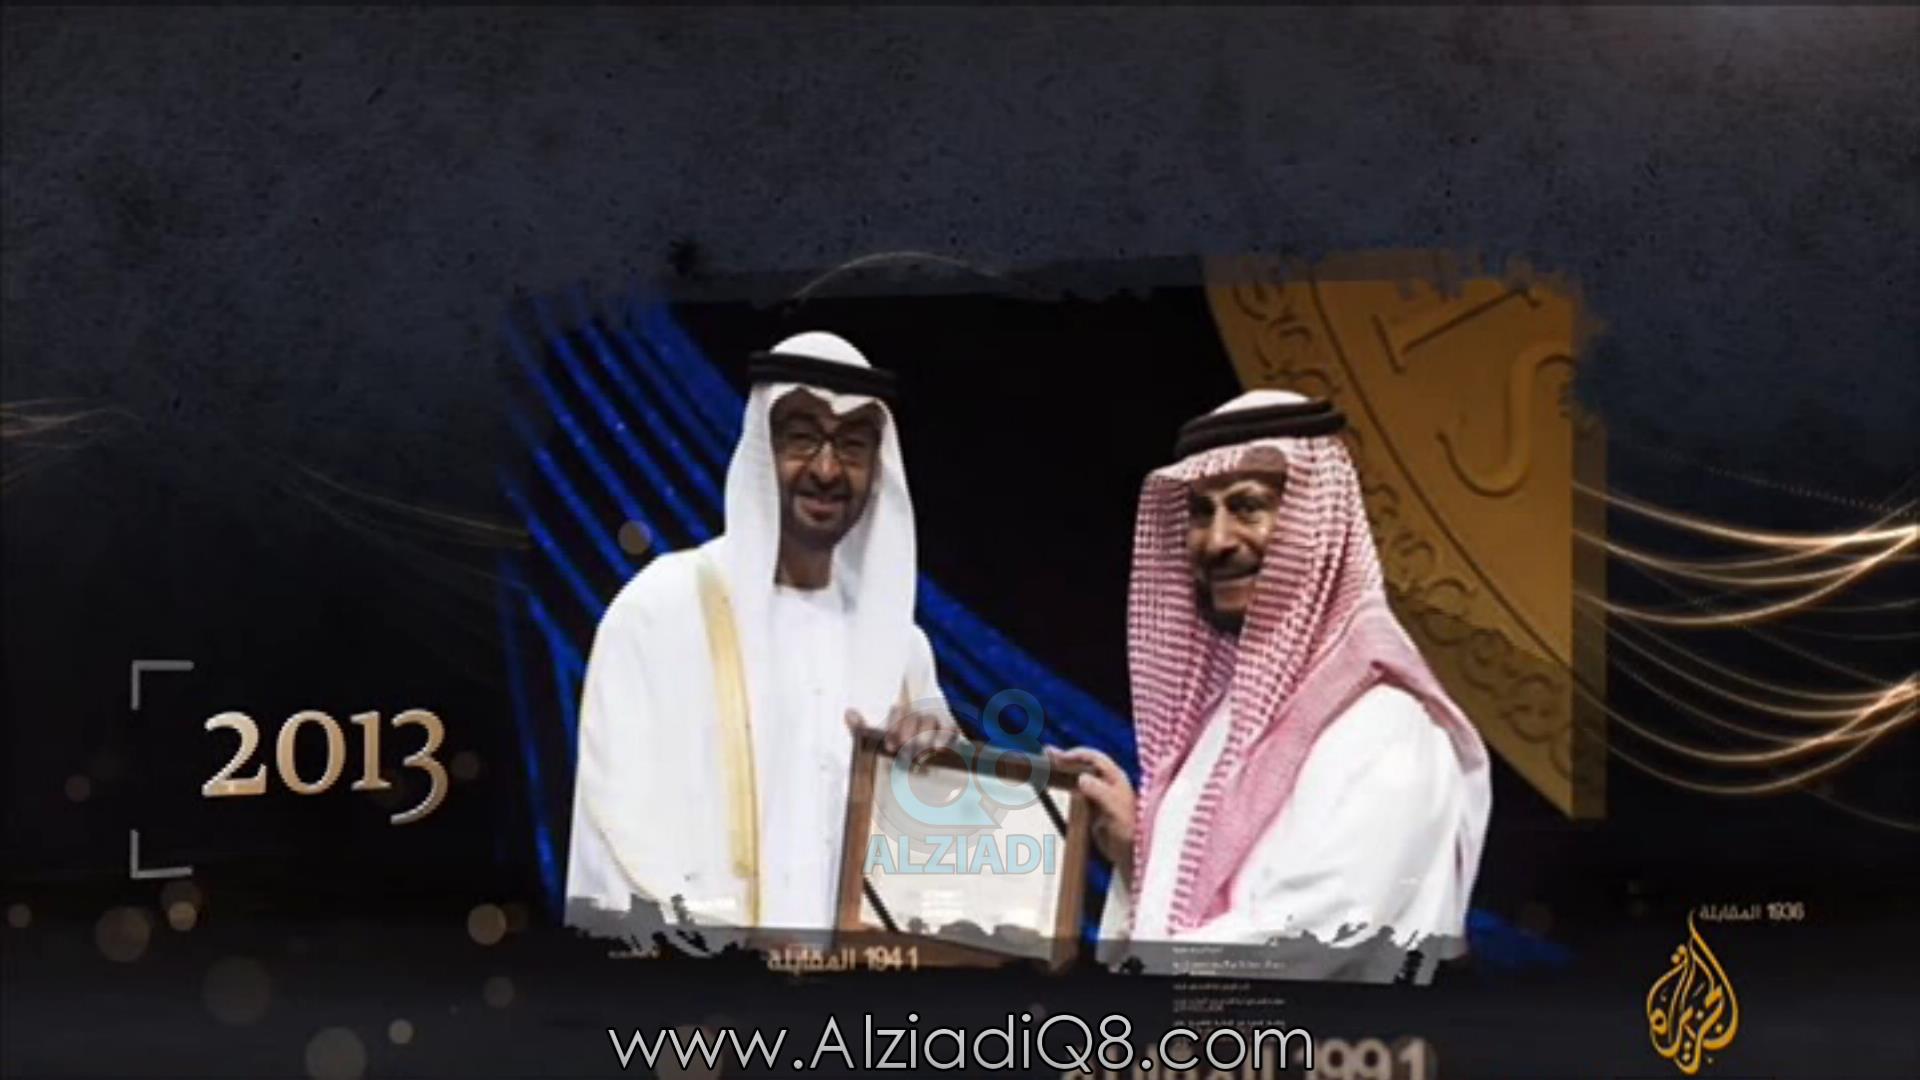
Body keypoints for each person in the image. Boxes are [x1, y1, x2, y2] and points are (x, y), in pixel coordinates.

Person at [1060, 389, 1492, 982]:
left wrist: (1119, 994)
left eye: (1248, 506)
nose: (1217, 540)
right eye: (1201, 512)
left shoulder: (1387, 723)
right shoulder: (1219, 723)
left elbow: (1316, 941)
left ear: (1317, 525)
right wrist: (1137, 854)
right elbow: (1189, 919)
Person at [564, 331, 950, 943]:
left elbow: (934, 862)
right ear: (760, 451)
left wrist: (944, 770)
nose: (826, 470)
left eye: (853, 446)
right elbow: (618, 828)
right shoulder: (660, 610)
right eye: (802, 438)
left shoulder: (903, 651)